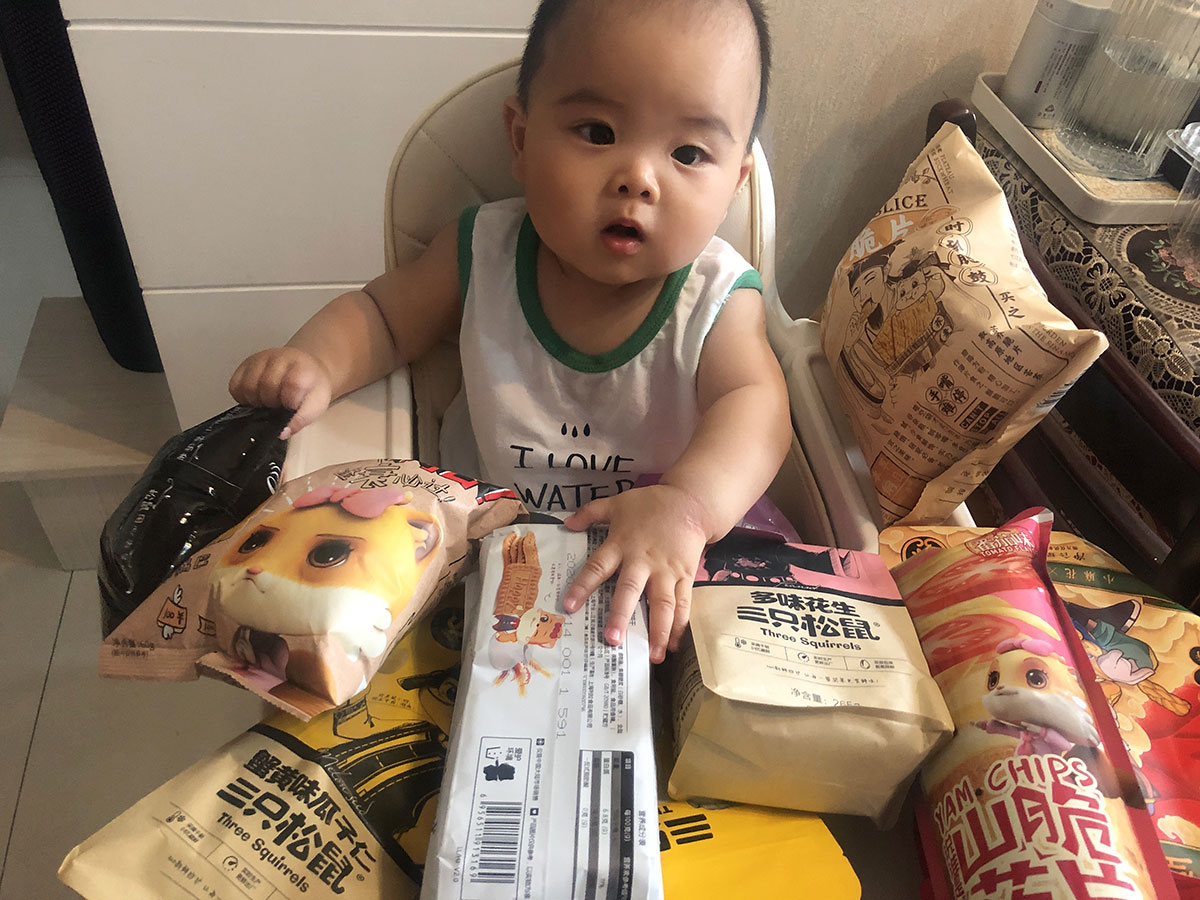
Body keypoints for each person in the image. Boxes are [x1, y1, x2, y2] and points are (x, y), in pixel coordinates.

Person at [228, 0, 791, 665]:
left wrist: (687, 507)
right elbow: (382, 317)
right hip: (480, 546)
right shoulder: (482, 250)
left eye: (688, 153)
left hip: (655, 557)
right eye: (598, 132)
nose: (638, 179)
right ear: (521, 140)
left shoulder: (716, 297)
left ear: (733, 186)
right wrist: (316, 362)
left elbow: (757, 406)